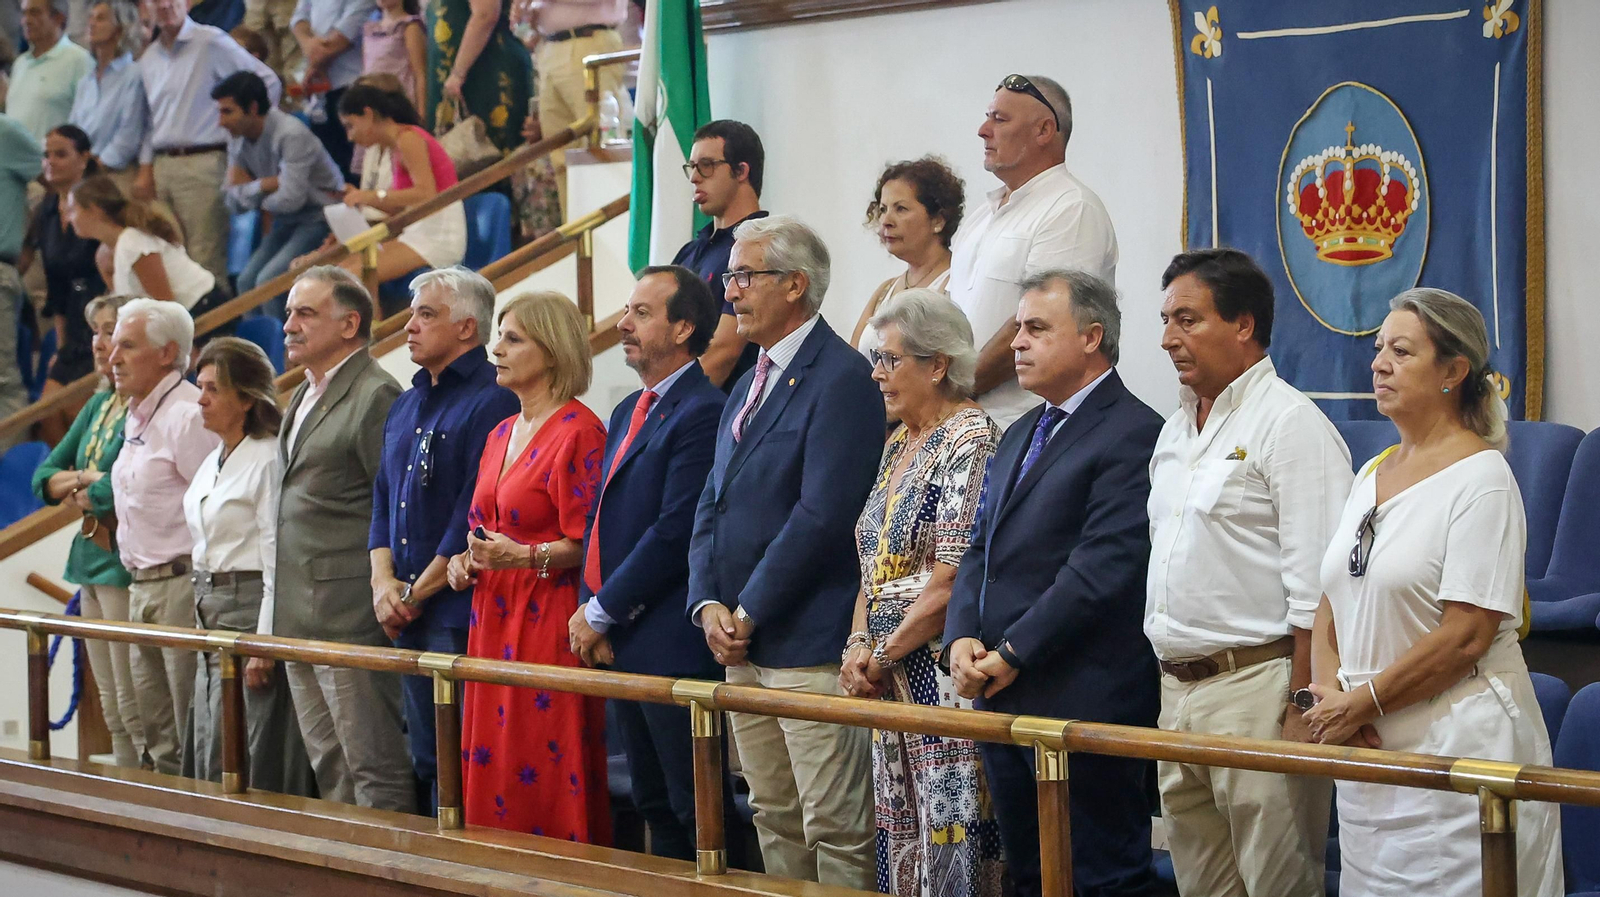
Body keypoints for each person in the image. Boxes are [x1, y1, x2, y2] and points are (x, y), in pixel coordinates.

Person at [1303, 288, 1563, 897]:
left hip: (1457, 749)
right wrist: (1329, 696)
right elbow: (1330, 601)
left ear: (1453, 371)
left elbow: (1465, 636)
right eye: (1377, 349)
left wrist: (1363, 704)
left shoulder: (1483, 479)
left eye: (1401, 350)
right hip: (1370, 756)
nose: (1379, 364)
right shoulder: (1371, 472)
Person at [943, 270, 1161, 897]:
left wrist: (1013, 652)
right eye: (1017, 328)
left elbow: (1102, 568)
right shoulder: (1018, 434)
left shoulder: (1133, 431)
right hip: (1002, 694)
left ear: (1092, 337)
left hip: (1083, 696)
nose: (1016, 343)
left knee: (1098, 877)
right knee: (1029, 875)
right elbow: (979, 548)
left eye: (1037, 328)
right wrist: (960, 636)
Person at [686, 215, 884, 888]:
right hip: (739, 642)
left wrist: (750, 608)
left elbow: (823, 515)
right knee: (771, 812)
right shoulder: (747, 380)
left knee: (833, 826)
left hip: (806, 640)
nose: (728, 290)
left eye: (744, 275)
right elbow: (711, 502)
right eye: (729, 275)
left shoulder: (843, 377)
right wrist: (707, 602)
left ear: (795, 284)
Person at [1147, 248, 1351, 897]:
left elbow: (1320, 588)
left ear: (1243, 325)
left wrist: (1300, 704)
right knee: (1202, 885)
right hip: (1177, 691)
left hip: (1259, 689)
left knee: (1277, 883)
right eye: (1166, 320)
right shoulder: (1175, 430)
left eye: (1187, 319)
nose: (1168, 338)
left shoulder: (1291, 424)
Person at [839, 288, 1003, 897]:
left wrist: (882, 655)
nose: (877, 374)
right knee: (900, 835)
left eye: (890, 359)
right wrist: (860, 643)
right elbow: (871, 566)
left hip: (939, 674)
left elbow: (953, 571)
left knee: (951, 837)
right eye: (875, 360)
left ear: (937, 365)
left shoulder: (971, 436)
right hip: (888, 674)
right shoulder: (895, 444)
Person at [569, 265, 725, 860]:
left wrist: (605, 612)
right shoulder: (629, 407)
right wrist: (594, 609)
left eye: (640, 313)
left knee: (694, 809)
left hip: (666, 637)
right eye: (626, 310)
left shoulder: (703, 411)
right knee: (650, 803)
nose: (621, 324)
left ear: (684, 327)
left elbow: (674, 530)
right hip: (620, 635)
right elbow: (601, 516)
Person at [445, 290, 610, 841]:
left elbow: (589, 539)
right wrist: (464, 563)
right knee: (490, 755)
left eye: (513, 339)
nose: (495, 348)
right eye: (498, 335)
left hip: (548, 614)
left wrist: (525, 555)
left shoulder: (579, 431)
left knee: (541, 749)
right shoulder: (498, 432)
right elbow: (480, 529)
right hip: (490, 612)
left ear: (554, 349)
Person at [369, 266, 518, 815]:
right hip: (408, 607)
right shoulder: (406, 403)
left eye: (425, 315)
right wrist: (383, 582)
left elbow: (469, 514)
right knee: (427, 758)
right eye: (412, 314)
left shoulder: (493, 398)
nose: (409, 326)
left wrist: (414, 595)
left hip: (456, 608)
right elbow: (382, 498)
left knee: (461, 758)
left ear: (466, 327)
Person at [273, 266, 413, 811]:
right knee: (330, 768)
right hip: (301, 611)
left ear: (350, 323)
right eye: (288, 312)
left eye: (305, 313)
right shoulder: (305, 392)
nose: (289, 325)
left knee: (373, 767)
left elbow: (393, 506)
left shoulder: (375, 393)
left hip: (352, 612)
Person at [181, 337, 313, 796]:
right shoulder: (213, 459)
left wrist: (263, 638)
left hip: (247, 603)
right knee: (207, 730)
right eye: (200, 386)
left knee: (241, 735)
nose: (201, 398)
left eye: (213, 389)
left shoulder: (265, 457)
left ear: (246, 397)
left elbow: (277, 553)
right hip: (206, 604)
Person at [948, 74, 1118, 431]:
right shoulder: (982, 216)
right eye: (987, 116)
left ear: (1043, 130)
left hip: (1023, 425)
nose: (983, 130)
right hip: (961, 420)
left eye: (999, 119)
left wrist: (951, 394)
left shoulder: (1071, 208)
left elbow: (1045, 323)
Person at [108, 298, 222, 775]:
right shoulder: (135, 413)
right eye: (114, 345)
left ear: (166, 353)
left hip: (179, 586)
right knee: (155, 734)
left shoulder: (186, 414)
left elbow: (215, 505)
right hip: (141, 585)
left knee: (187, 729)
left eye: (127, 346)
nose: (112, 357)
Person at [31, 294, 142, 769]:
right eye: (96, 331)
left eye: (112, 330)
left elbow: (115, 490)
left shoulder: (143, 406)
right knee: (111, 700)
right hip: (88, 555)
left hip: (122, 556)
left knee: (134, 697)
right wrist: (82, 479)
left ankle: (154, 796)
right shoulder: (98, 403)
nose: (101, 343)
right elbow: (44, 476)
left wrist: (85, 486)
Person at [136, 0, 283, 284]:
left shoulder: (210, 42)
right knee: (170, 266)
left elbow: (267, 83)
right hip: (163, 164)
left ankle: (218, 328)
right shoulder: (149, 58)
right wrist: (145, 169)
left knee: (205, 263)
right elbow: (148, 122)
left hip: (204, 161)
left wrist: (244, 141)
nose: (165, 4)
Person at [213, 70, 344, 314]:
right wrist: (265, 185)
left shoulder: (290, 133)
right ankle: (256, 351)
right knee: (245, 283)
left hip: (320, 218)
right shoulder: (237, 138)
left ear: (252, 108)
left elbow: (291, 199)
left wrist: (250, 192)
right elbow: (231, 202)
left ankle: (286, 350)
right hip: (285, 221)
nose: (220, 122)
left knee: (269, 284)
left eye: (227, 112)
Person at [333, 84, 467, 296]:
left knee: (354, 275)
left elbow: (426, 195)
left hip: (439, 235)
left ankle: (371, 329)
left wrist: (370, 195)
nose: (349, 137)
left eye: (350, 126)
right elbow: (403, 209)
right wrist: (364, 201)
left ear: (367, 115)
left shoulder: (408, 139)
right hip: (419, 230)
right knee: (342, 271)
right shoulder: (395, 146)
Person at [21, 125, 105, 441]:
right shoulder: (45, 210)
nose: (50, 162)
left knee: (78, 416)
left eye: (60, 154)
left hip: (102, 324)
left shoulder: (99, 202)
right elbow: (55, 288)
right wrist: (60, 343)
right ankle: (64, 489)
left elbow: (116, 276)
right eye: (46, 155)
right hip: (72, 325)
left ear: (84, 158)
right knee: (47, 415)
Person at [673, 120, 767, 393]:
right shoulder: (690, 252)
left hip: (724, 412)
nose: (694, 177)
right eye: (692, 167)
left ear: (741, 171)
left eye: (706, 165)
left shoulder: (760, 245)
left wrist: (668, 410)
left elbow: (723, 352)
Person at [67, 175, 230, 319]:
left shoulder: (133, 242)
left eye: (72, 210)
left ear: (94, 210)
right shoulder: (103, 256)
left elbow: (167, 305)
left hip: (204, 308)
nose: (68, 218)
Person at [850, 158, 963, 360]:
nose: (886, 221)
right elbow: (852, 362)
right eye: (883, 209)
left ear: (938, 219)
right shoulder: (885, 290)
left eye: (900, 209)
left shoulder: (957, 285)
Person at [519, 0, 624, 215]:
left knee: (600, 151)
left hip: (590, 42)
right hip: (550, 46)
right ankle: (578, 241)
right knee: (561, 160)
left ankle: (611, 241)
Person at [68, 1, 150, 195]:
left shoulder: (134, 75)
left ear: (120, 28)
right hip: (83, 174)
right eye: (91, 18)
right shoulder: (86, 81)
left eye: (101, 18)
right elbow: (74, 129)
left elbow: (128, 136)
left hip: (116, 175)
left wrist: (95, 166)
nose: (92, 23)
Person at [427, 0, 529, 154]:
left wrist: (458, 74)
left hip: (487, 74)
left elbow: (485, 15)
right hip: (457, 76)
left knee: (493, 154)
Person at [290, 0, 372, 181]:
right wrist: (308, 45)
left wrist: (316, 58)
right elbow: (298, 19)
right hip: (318, 88)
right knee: (328, 170)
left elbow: (343, 36)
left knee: (354, 169)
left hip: (351, 85)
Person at [0, 114, 41, 450]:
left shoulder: (6, 131)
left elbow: (56, 179)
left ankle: (14, 485)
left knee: (2, 383)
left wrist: (31, 241)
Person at [9, 0, 95, 143]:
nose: (26, 20)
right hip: (12, 162)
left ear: (58, 18)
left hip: (50, 162)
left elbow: (88, 120)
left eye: (34, 13)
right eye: (24, 13)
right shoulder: (20, 63)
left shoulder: (79, 61)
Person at [362, 0, 426, 115]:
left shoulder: (410, 26)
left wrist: (421, 113)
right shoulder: (369, 28)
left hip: (399, 102)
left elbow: (420, 74)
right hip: (373, 102)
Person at [243, 0, 300, 88]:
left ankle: (296, 98)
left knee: (294, 65)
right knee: (259, 58)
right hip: (257, 7)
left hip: (289, 6)